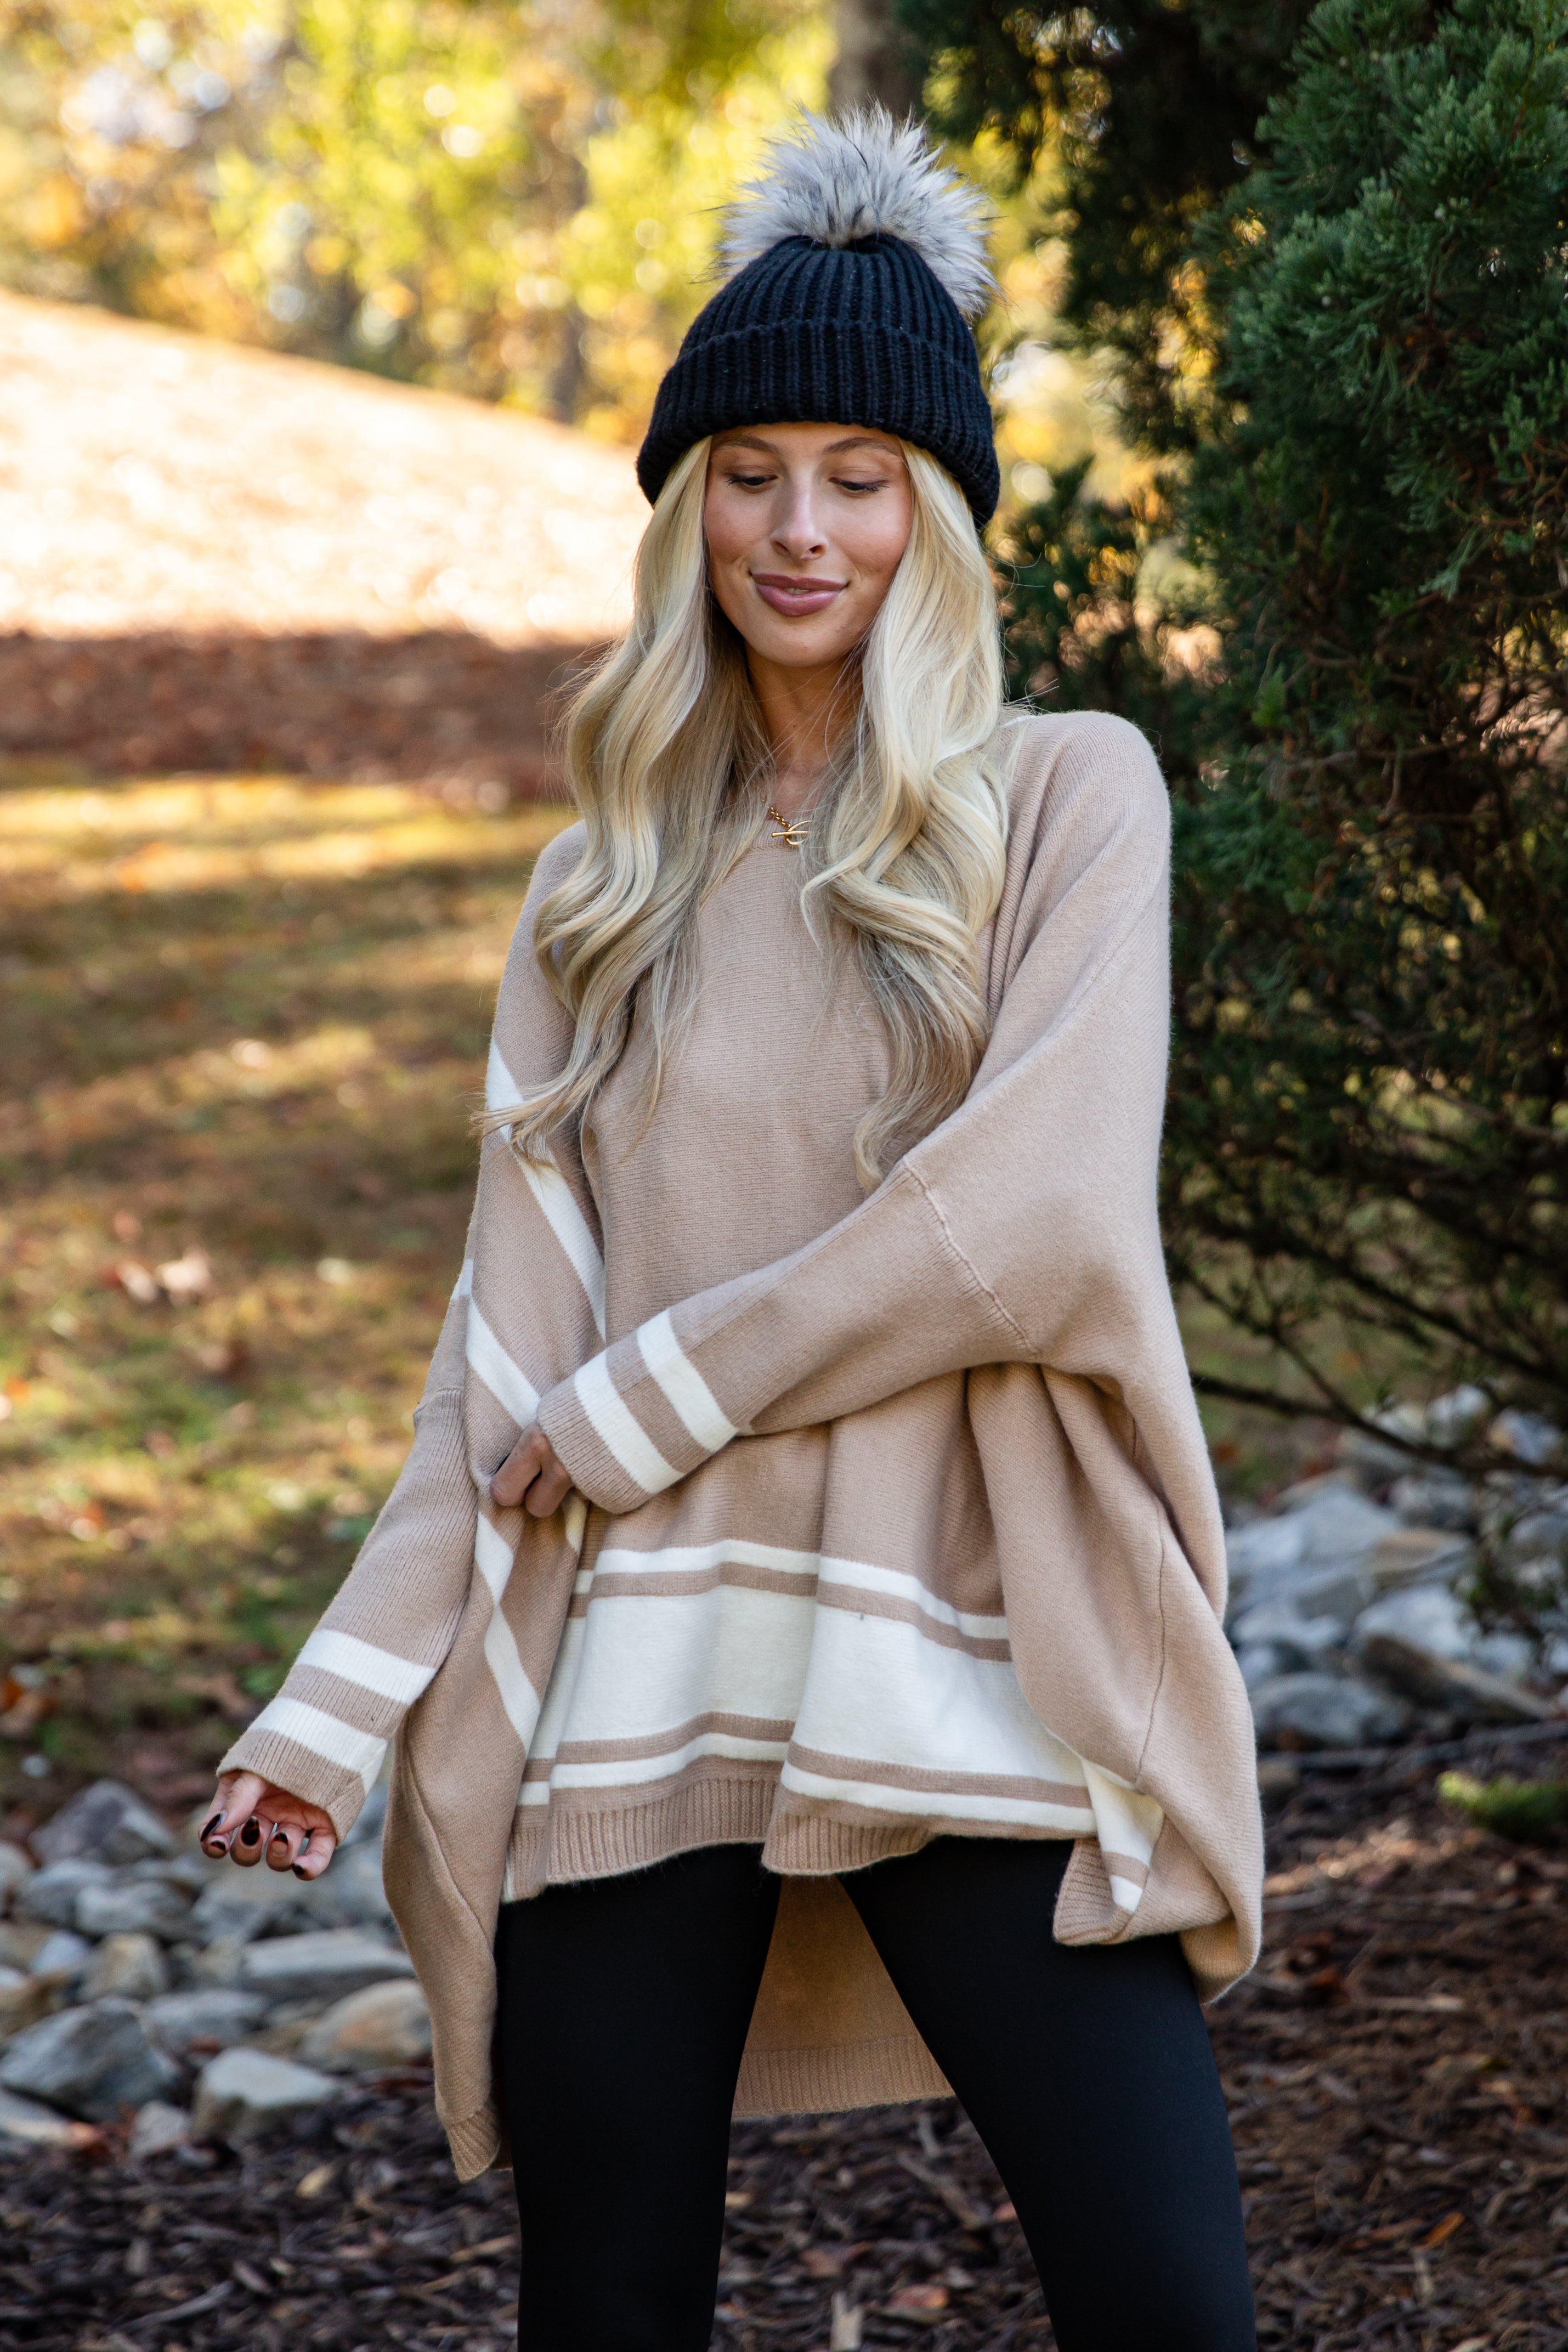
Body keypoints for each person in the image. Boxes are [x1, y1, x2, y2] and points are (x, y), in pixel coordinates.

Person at [201, 110, 1263, 2352]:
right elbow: (506, 1359)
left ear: (941, 514)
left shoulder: (1071, 791)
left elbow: (1039, 1215)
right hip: (641, 1671)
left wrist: (652, 1394)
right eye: (752, 470)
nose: (801, 529)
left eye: (861, 476)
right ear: (688, 505)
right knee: (605, 2307)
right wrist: (336, 1702)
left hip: (964, 1634)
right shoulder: (606, 885)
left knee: (1164, 2293)